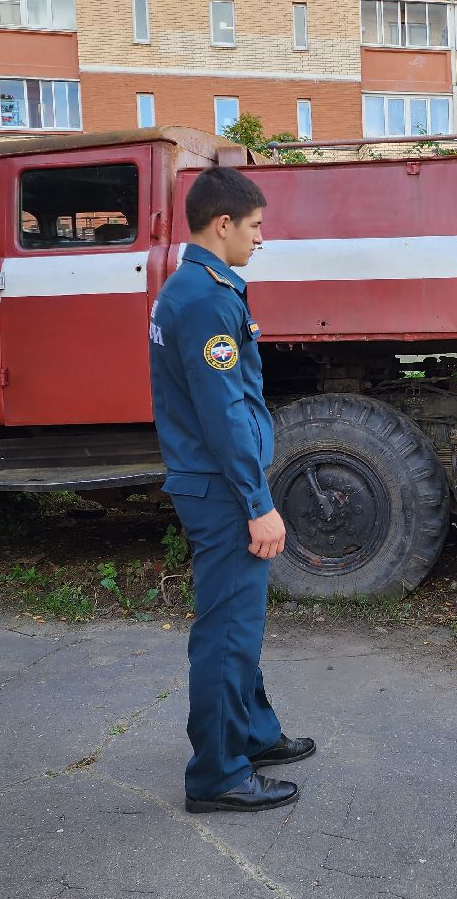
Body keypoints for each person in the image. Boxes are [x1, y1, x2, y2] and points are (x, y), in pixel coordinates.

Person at [149, 165, 314, 812]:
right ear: (224, 224)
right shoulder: (209, 297)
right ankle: (217, 774)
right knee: (227, 632)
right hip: (222, 489)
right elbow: (222, 413)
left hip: (210, 482)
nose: (260, 238)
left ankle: (251, 734)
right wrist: (258, 503)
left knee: (237, 623)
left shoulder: (188, 287)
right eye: (255, 226)